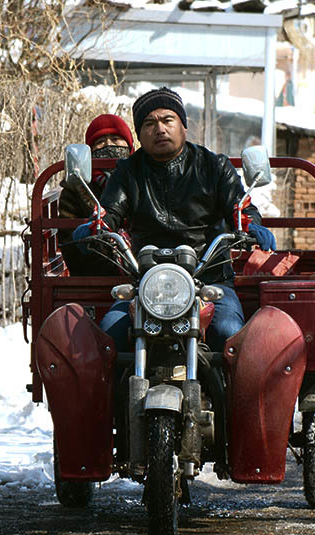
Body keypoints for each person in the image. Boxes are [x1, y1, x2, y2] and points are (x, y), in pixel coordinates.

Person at [77, 87, 275, 352]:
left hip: (208, 277)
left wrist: (251, 225)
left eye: (167, 120)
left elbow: (240, 206)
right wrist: (96, 226)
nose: (159, 129)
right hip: (146, 281)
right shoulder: (127, 172)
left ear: (184, 126)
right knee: (110, 333)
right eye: (149, 123)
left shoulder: (214, 166)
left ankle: (235, 394)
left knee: (229, 333)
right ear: (139, 134)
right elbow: (110, 210)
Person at [58, 113, 134, 275]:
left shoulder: (144, 178)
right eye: (100, 142)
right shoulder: (77, 188)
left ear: (129, 144)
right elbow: (72, 245)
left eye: (115, 139)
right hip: (97, 273)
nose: (108, 146)